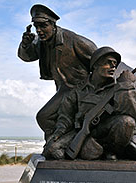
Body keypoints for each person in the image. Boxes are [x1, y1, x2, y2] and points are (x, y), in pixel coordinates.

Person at [18, 4, 97, 142]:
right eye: (36, 27)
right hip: (63, 89)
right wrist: (25, 44)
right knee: (51, 119)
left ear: (53, 25)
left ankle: (60, 143)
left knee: (44, 116)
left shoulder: (73, 40)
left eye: (43, 26)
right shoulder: (42, 42)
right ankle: (57, 145)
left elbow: (99, 59)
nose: (39, 31)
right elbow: (27, 57)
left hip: (79, 89)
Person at [43, 47, 136, 160]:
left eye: (115, 64)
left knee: (127, 122)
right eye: (108, 63)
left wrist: (126, 86)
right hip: (81, 131)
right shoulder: (77, 91)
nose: (113, 67)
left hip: (105, 132)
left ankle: (108, 151)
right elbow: (65, 118)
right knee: (51, 150)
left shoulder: (118, 88)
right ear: (95, 65)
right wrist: (58, 133)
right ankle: (90, 147)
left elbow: (132, 112)